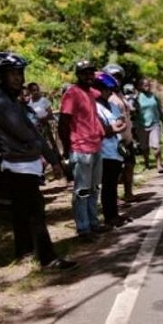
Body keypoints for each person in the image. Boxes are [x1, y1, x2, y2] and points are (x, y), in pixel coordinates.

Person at [0, 52, 77, 271]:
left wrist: (52, 158)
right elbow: (27, 133)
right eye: (11, 74)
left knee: (22, 210)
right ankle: (48, 259)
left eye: (19, 73)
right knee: (35, 211)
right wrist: (42, 151)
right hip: (18, 164)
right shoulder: (0, 102)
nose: (17, 78)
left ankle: (24, 250)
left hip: (24, 163)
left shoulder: (13, 102)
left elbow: (33, 133)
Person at [58, 60, 108, 242]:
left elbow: (107, 87)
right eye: (85, 73)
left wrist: (100, 76)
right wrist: (66, 148)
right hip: (80, 148)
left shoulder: (91, 92)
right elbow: (63, 123)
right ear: (78, 75)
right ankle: (83, 229)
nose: (89, 76)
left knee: (94, 188)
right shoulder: (72, 93)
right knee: (82, 191)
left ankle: (94, 223)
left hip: (95, 146)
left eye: (91, 73)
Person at [94, 72, 131, 227]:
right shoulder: (95, 107)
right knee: (107, 186)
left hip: (116, 150)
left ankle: (114, 214)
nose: (109, 93)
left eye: (110, 90)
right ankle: (109, 217)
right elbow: (105, 129)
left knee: (113, 185)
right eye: (105, 89)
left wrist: (115, 127)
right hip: (104, 152)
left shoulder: (113, 105)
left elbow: (122, 122)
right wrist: (114, 128)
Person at [103, 65, 138, 203]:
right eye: (114, 77)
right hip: (117, 140)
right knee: (116, 170)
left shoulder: (120, 95)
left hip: (127, 138)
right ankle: (115, 199)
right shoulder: (110, 98)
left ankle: (128, 194)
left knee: (129, 166)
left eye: (118, 77)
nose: (116, 80)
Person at [133, 78, 163, 172]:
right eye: (144, 84)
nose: (146, 86)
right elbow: (133, 111)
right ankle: (147, 164)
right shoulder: (136, 97)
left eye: (148, 84)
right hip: (141, 125)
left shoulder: (153, 96)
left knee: (156, 145)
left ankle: (159, 165)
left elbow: (159, 109)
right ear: (139, 86)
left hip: (154, 123)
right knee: (144, 147)